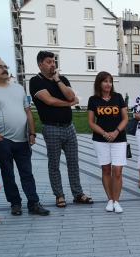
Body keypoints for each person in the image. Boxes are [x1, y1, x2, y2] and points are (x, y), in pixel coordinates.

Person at [0, 57, 50, 216]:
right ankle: (15, 203)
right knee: (8, 174)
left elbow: (27, 111)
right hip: (2, 140)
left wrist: (32, 132)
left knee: (27, 173)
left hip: (23, 139)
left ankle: (34, 203)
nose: (4, 69)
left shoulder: (18, 88)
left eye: (5, 65)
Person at [29, 50, 93, 208]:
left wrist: (57, 80)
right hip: (51, 128)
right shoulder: (35, 81)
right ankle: (59, 195)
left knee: (73, 162)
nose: (53, 64)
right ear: (40, 64)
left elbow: (71, 95)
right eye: (49, 62)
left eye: (54, 61)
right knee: (54, 164)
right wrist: (69, 104)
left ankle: (78, 194)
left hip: (69, 127)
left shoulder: (62, 79)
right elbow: (49, 101)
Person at [87, 71, 128, 213]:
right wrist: (105, 133)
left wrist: (116, 132)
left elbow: (125, 118)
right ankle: (110, 200)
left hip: (119, 139)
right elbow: (91, 123)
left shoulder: (118, 97)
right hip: (100, 140)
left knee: (117, 171)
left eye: (110, 81)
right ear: (99, 83)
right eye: (105, 81)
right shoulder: (93, 100)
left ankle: (117, 201)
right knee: (105, 169)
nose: (108, 84)